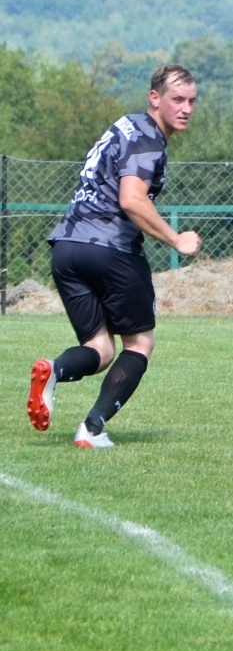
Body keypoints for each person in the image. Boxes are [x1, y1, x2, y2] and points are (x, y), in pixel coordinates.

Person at [27, 64, 203, 448]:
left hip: (67, 248)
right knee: (139, 344)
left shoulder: (125, 125)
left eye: (191, 100)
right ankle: (91, 429)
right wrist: (176, 240)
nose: (186, 107)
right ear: (154, 98)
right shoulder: (149, 140)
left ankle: (53, 371)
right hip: (111, 250)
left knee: (100, 349)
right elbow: (131, 199)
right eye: (177, 99)